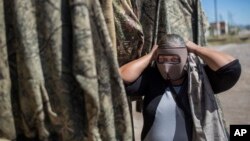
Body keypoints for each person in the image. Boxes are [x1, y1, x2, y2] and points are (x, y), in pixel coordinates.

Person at [119, 34, 241, 141]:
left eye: (174, 59)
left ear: (185, 57)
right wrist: (151, 55)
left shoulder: (200, 78)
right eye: (162, 59)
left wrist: (196, 48)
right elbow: (119, 77)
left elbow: (231, 68)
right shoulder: (152, 78)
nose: (167, 67)